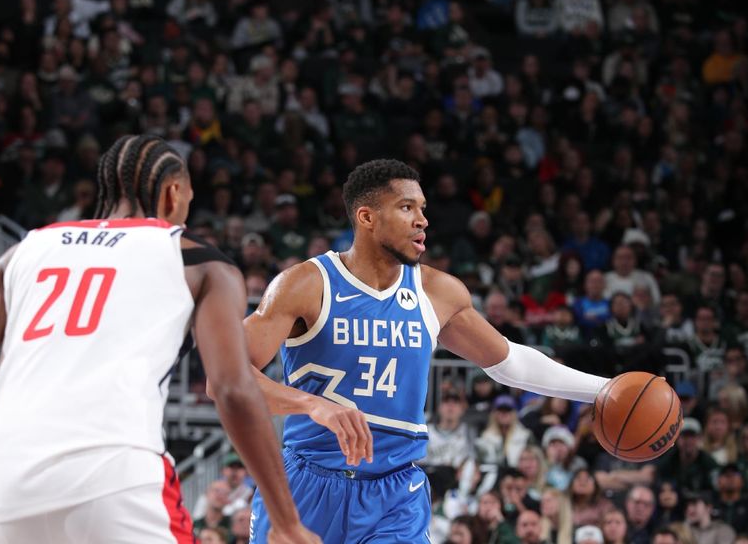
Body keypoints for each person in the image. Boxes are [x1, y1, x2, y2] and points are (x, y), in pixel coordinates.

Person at [240, 159, 612, 542]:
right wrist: (312, 404)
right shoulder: (305, 284)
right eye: (406, 208)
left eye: (422, 209)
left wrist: (605, 389)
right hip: (307, 485)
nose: (422, 220)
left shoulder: (437, 292)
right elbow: (227, 380)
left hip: (396, 495)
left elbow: (510, 362)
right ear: (366, 217)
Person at [0, 134, 318, 544]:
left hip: (1, 478)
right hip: (113, 475)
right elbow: (234, 388)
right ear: (173, 193)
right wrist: (286, 521)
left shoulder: (22, 251)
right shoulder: (198, 261)